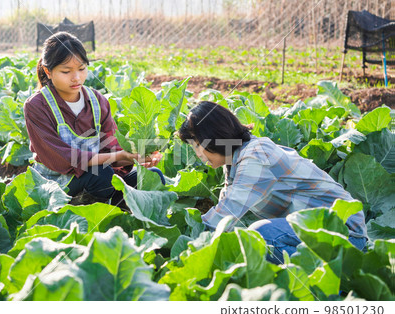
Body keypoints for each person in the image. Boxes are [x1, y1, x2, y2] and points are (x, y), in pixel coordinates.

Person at [177, 101, 368, 264]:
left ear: (215, 137)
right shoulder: (235, 161)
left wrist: (179, 241)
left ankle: (336, 280)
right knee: (250, 242)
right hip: (315, 232)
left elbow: (226, 214)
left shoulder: (255, 156)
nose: (198, 154)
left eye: (197, 145)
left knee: (261, 235)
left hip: (345, 233)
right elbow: (225, 219)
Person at [24, 32, 163, 206]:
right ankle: (85, 211)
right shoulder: (37, 106)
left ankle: (116, 212)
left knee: (154, 176)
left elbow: (110, 148)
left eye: (82, 69)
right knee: (101, 175)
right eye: (66, 71)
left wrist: (134, 157)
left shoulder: (97, 100)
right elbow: (64, 158)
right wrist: (117, 156)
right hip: (56, 185)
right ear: (48, 72)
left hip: (95, 176)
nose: (76, 78)